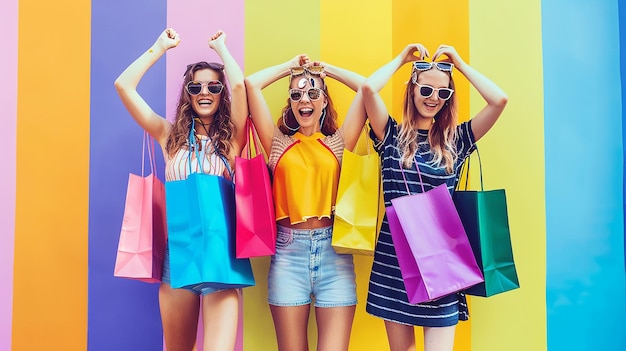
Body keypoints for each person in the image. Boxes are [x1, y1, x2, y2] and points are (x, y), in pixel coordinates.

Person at [362, 43, 508, 351]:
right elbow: (367, 88)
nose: (433, 99)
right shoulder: (390, 135)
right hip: (395, 263)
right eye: (426, 89)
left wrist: (460, 64)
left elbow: (499, 100)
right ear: (412, 89)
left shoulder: (457, 139)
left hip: (441, 263)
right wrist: (403, 59)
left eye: (443, 93)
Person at [114, 28, 248, 351]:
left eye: (213, 86)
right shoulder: (168, 136)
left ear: (221, 93)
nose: (205, 92)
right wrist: (158, 47)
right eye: (196, 85)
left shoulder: (232, 141)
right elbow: (123, 86)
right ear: (187, 93)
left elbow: (242, 85)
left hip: (221, 259)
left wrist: (221, 49)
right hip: (177, 260)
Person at [245, 55, 366, 351]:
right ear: (291, 103)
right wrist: (291, 68)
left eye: (313, 93)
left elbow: (366, 89)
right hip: (288, 255)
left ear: (324, 102)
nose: (305, 99)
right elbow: (250, 85)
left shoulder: (337, 144)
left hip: (333, 255)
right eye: (297, 94)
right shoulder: (279, 144)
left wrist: (327, 71)